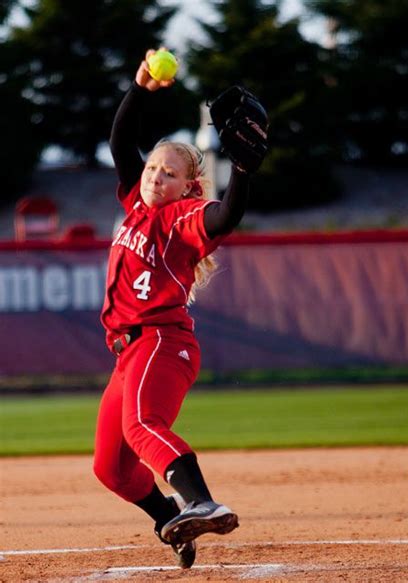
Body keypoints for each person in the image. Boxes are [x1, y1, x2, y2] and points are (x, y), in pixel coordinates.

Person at [93, 49, 267, 570]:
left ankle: (202, 501)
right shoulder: (135, 205)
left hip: (161, 341)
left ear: (188, 186)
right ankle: (174, 520)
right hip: (127, 355)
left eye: (168, 174)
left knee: (142, 425)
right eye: (152, 168)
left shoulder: (182, 217)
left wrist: (241, 169)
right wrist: (140, 89)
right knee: (113, 470)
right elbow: (121, 142)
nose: (154, 178)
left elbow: (227, 216)